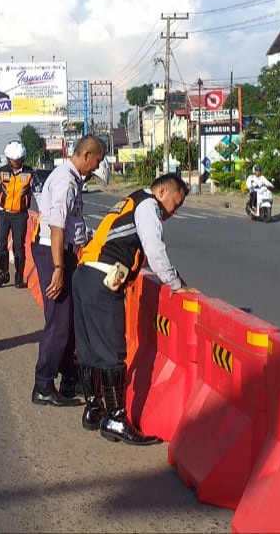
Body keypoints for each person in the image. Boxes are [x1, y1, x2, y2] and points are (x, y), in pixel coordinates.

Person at [73, 173, 200, 445]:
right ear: (163, 191)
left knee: (88, 349)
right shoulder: (148, 206)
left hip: (84, 275)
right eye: (174, 205)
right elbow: (155, 251)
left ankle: (94, 409)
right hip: (104, 279)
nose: (172, 212)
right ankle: (116, 418)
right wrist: (176, 284)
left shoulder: (129, 201)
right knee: (111, 352)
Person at [30, 135, 106, 406]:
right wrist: (59, 268)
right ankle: (43, 385)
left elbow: (73, 224)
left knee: (68, 321)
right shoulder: (65, 180)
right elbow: (57, 226)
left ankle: (69, 379)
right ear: (86, 155)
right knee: (59, 323)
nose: (95, 168)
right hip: (54, 252)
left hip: (61, 250)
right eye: (96, 162)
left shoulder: (71, 178)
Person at [0, 140, 39, 289]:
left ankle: (18, 277)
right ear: (8, 159)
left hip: (20, 215)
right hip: (3, 214)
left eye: (17, 160)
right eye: (12, 160)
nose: (15, 163)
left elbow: (38, 193)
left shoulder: (30, 174)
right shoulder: (2, 172)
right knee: (1, 243)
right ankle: (3, 274)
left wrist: (43, 212)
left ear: (23, 158)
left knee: (19, 246)